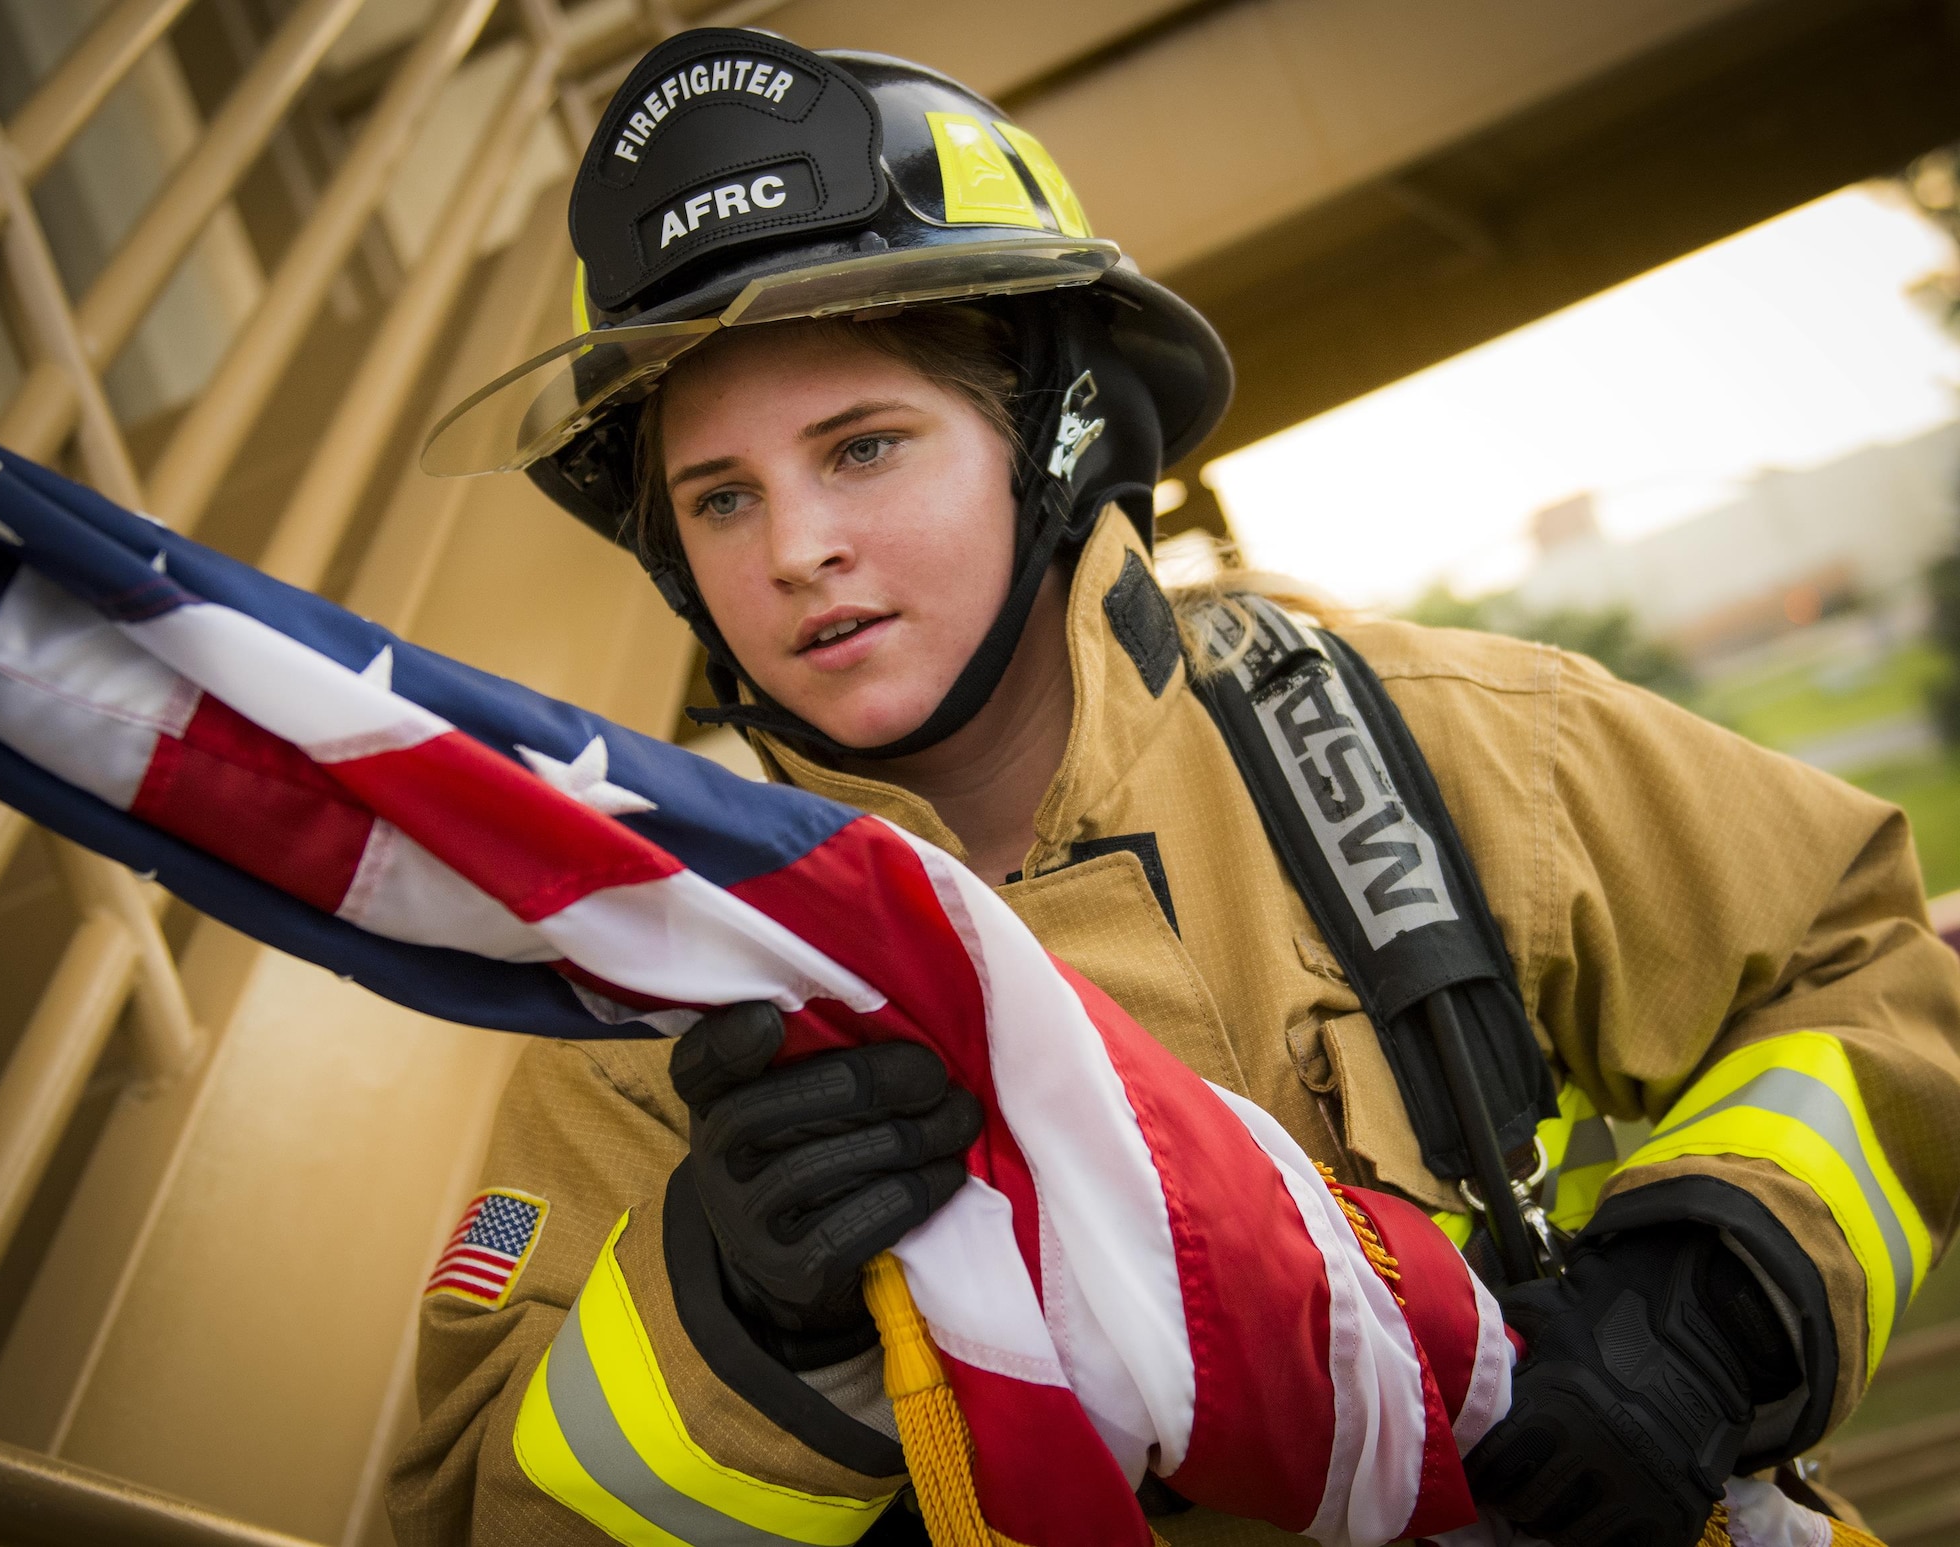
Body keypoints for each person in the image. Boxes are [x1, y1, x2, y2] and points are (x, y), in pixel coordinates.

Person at [388, 28, 1960, 1547]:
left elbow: (1859, 968)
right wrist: (732, 1328)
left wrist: (1713, 1304)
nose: (794, 548)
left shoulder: (1436, 739)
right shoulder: (649, 995)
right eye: (719, 496)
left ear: (1057, 433)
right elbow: (475, 1515)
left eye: (864, 447)